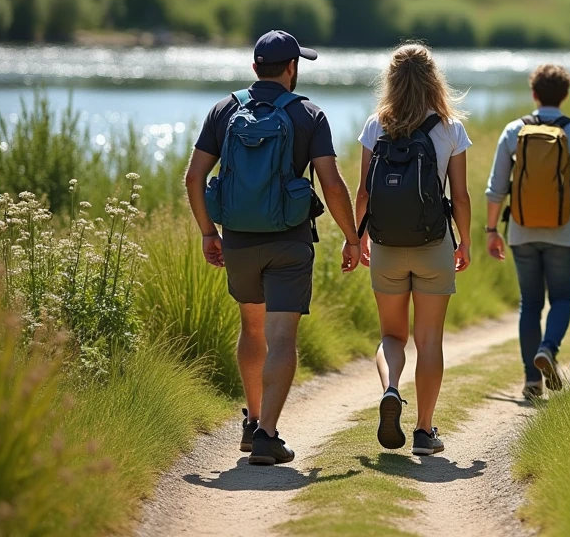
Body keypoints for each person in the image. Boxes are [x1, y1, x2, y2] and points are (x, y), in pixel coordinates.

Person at [184, 30, 360, 466]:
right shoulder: (309, 115)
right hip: (290, 241)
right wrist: (353, 237)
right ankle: (266, 435)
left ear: (254, 67)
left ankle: (254, 420)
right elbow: (332, 185)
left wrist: (210, 233)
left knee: (253, 329)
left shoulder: (224, 110)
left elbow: (193, 178)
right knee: (282, 336)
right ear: (292, 68)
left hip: (239, 240)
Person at [354, 44, 472, 457]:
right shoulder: (450, 128)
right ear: (433, 78)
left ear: (391, 79)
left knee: (391, 335)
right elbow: (459, 196)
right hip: (433, 244)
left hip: (386, 245)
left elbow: (365, 191)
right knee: (429, 339)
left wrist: (359, 237)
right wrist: (467, 241)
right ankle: (424, 432)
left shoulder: (375, 125)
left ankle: (390, 389)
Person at [485, 64, 570, 401]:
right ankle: (549, 348)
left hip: (521, 230)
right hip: (564, 231)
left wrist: (492, 229)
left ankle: (532, 381)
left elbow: (496, 189)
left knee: (530, 304)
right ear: (564, 95)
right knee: (561, 298)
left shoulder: (512, 131)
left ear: (534, 93)